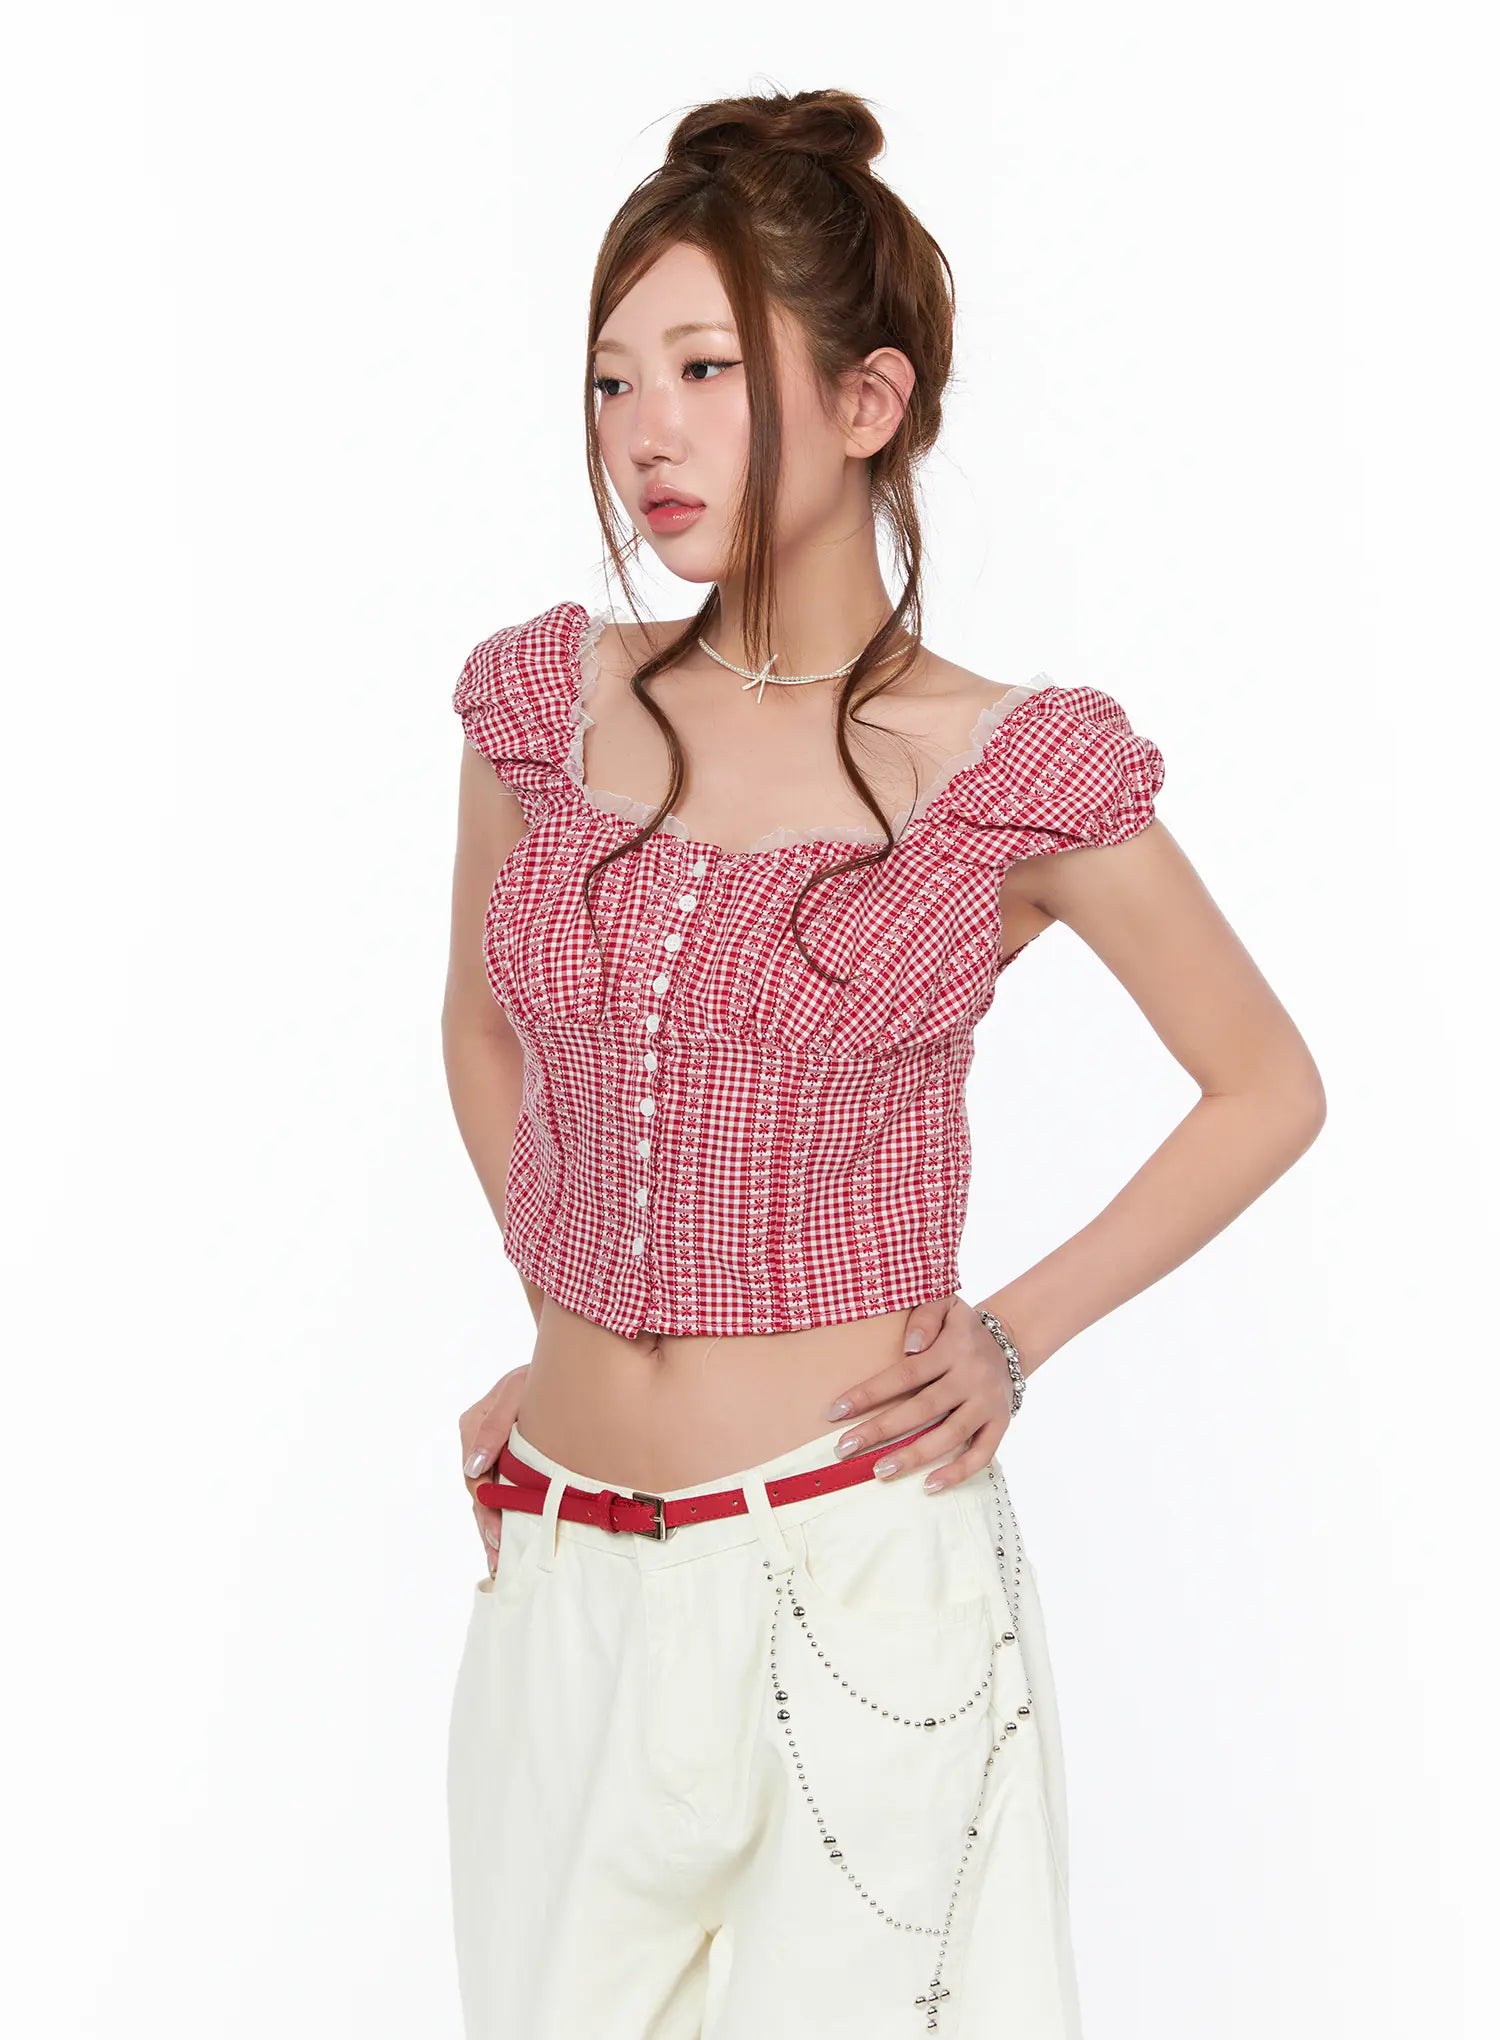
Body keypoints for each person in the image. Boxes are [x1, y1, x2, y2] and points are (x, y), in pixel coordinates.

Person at [439, 88, 1325, 2040]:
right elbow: (483, 1032)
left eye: (703, 368)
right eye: (610, 378)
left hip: (859, 1586)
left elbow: (1265, 1083)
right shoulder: (541, 707)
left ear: (867, 400)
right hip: (563, 1574)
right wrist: (571, 1304)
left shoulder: (1004, 767)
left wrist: (1011, 1337)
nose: (643, 430)